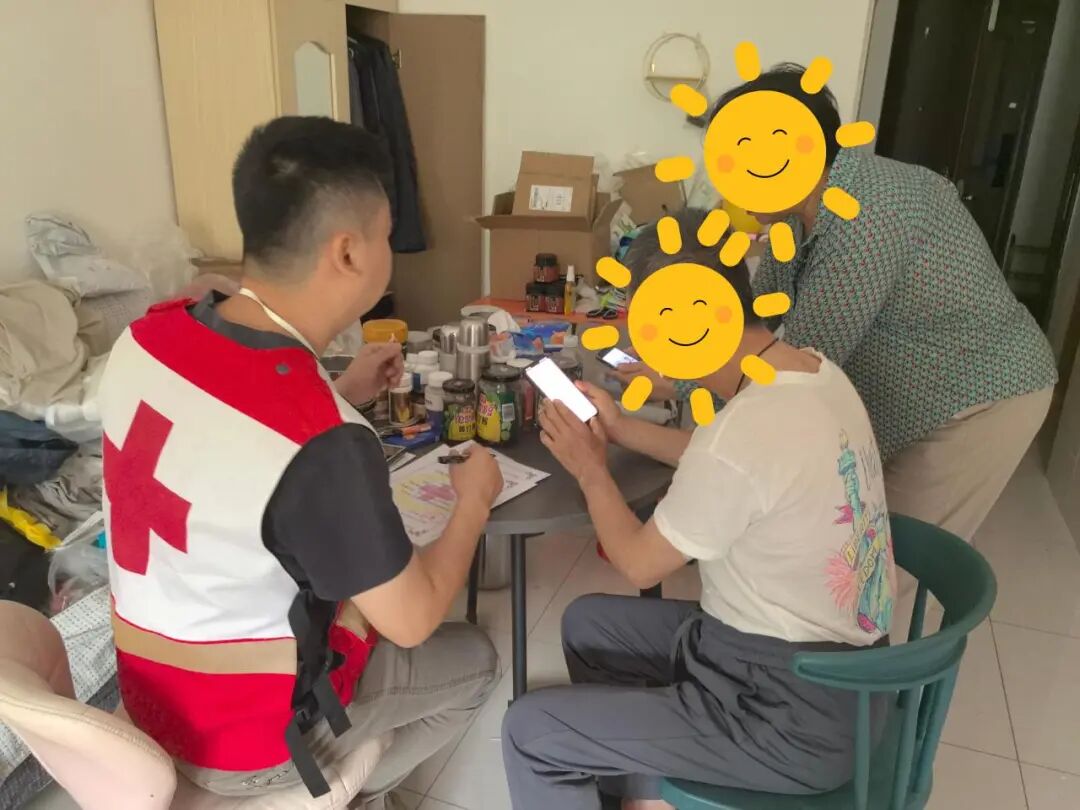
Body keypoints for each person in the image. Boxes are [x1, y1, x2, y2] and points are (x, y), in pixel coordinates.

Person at [99, 117, 502, 809]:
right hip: (244, 740)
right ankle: (357, 793)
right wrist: (475, 500)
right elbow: (412, 621)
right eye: (385, 235)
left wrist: (337, 392)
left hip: (149, 691)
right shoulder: (324, 442)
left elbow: (221, 439)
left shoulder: (144, 337)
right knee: (476, 661)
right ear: (348, 252)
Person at [502, 209, 895, 810]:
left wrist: (589, 467)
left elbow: (638, 563)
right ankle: (646, 794)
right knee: (588, 624)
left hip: (787, 714)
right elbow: (733, 468)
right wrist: (620, 428)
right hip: (837, 679)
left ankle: (662, 771)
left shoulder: (744, 431)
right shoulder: (813, 372)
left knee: (530, 732)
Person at [612, 65, 1058, 542]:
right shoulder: (796, 207)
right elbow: (757, 311)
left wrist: (680, 383)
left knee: (885, 554)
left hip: (978, 393)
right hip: (917, 381)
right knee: (852, 529)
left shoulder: (865, 215)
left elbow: (798, 372)